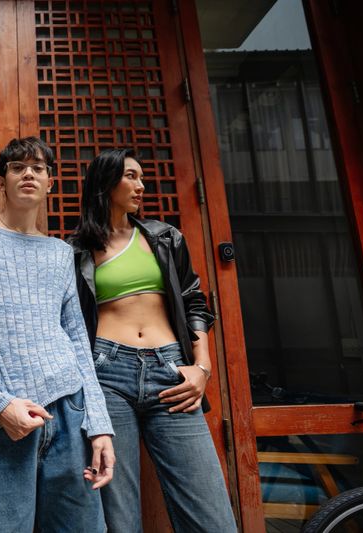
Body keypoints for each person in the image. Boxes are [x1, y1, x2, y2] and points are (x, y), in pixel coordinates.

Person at [0, 137, 115, 533]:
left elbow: (76, 339)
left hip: (70, 413)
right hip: (3, 420)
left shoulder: (58, 252)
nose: (29, 173)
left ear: (50, 182)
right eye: (18, 167)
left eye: (38, 167)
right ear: (1, 181)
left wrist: (99, 425)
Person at [70, 148, 237, 533]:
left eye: (141, 177)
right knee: (118, 514)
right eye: (130, 176)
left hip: (171, 371)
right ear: (105, 182)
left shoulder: (164, 237)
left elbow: (195, 299)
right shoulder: (76, 250)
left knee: (210, 515)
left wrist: (202, 368)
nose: (140, 185)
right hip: (106, 374)